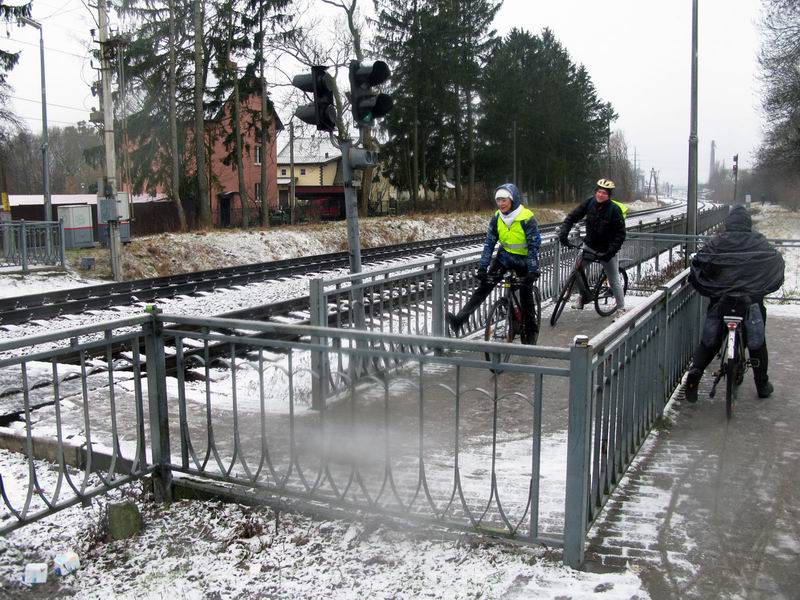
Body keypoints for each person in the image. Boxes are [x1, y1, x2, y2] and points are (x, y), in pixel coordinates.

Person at [683, 205, 784, 402]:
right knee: (758, 342)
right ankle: (762, 384)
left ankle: (696, 371)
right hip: (751, 302)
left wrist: (711, 287)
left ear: (728, 223)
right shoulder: (759, 242)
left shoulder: (717, 242)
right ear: (748, 224)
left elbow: (700, 263)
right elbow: (776, 263)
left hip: (721, 301)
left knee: (710, 341)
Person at [446, 183, 541, 344]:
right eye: (498, 200)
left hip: (524, 261)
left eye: (504, 200)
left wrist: (532, 271)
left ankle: (530, 333)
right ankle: (459, 320)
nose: (501, 204)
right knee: (484, 287)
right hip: (504, 258)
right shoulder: (497, 217)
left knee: (526, 296)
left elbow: (533, 246)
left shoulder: (526, 218)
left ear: (512, 199)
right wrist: (483, 268)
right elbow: (489, 243)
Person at [557, 178, 627, 317]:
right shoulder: (590, 203)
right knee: (575, 272)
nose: (601, 195)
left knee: (614, 280)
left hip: (606, 250)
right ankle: (583, 297)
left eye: (604, 193)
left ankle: (621, 309)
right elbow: (572, 217)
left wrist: (610, 252)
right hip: (589, 246)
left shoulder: (615, 210)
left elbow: (620, 235)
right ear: (596, 192)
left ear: (609, 196)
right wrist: (563, 234)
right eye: (599, 192)